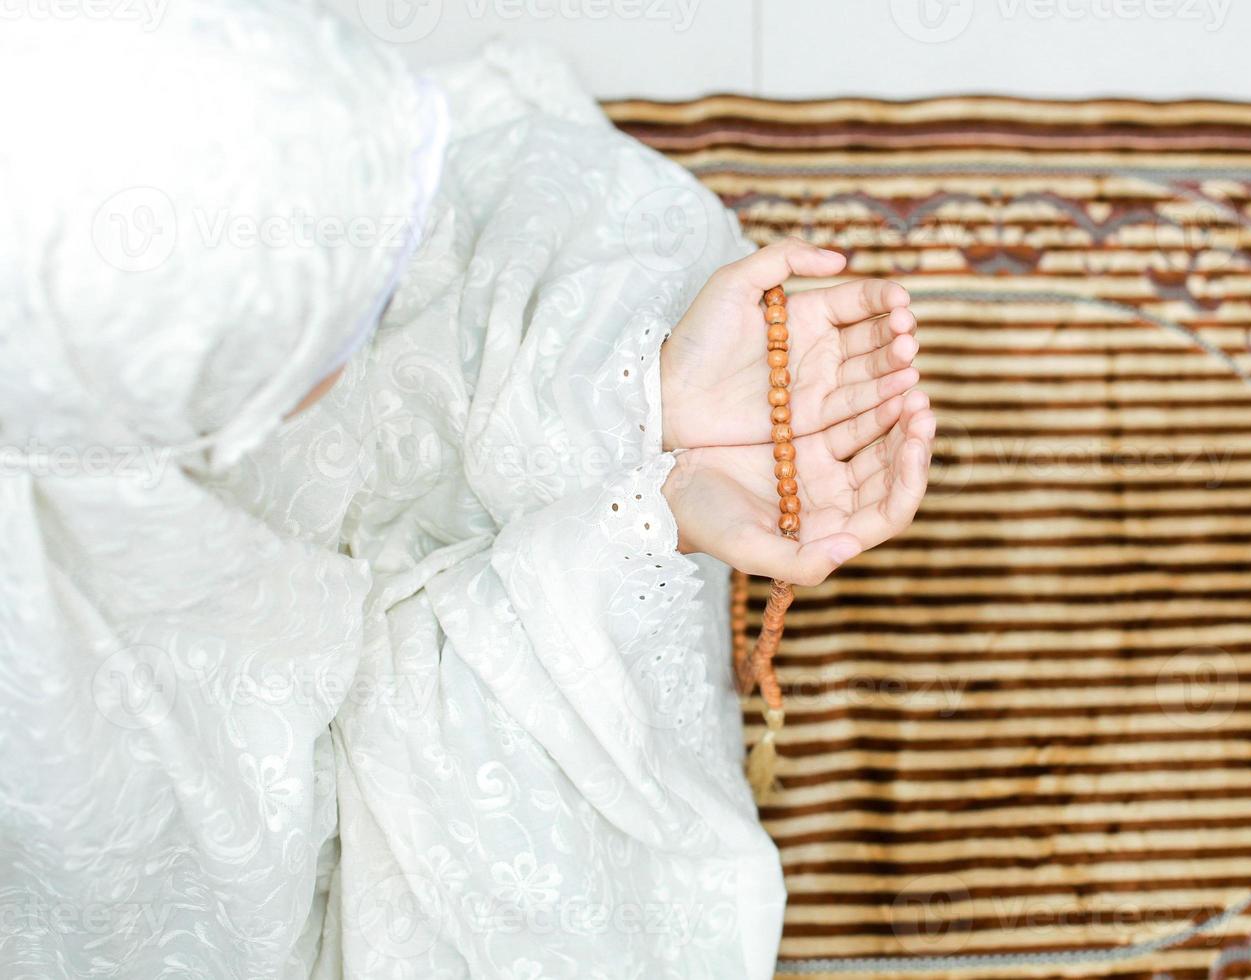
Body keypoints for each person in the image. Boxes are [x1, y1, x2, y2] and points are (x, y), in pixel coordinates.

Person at [0, 3, 936, 978]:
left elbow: (376, 384)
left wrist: (634, 398)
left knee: (608, 245)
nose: (386, 285)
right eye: (324, 334)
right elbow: (348, 703)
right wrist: (635, 522)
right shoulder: (75, 720)